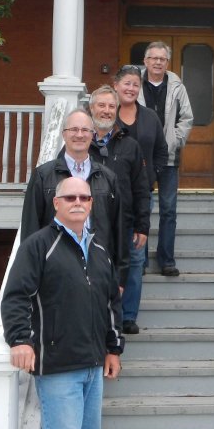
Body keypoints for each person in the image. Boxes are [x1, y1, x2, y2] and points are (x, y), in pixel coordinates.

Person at [2, 177, 124, 429]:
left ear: (91, 203)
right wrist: (20, 340)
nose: (77, 202)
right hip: (56, 367)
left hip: (92, 366)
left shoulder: (100, 248)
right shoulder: (39, 245)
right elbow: (16, 296)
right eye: (69, 197)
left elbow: (109, 305)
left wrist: (113, 348)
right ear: (55, 203)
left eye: (84, 197)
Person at [20, 108, 123, 279]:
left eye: (85, 130)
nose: (79, 135)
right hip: (54, 268)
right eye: (74, 129)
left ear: (93, 135)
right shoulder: (43, 176)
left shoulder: (108, 178)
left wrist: (119, 277)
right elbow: (31, 228)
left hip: (98, 266)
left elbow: (118, 229)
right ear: (64, 134)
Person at [88, 86, 151, 334]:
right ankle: (97, 315)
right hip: (90, 222)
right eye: (101, 106)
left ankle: (126, 317)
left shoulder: (130, 146)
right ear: (91, 108)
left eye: (111, 106)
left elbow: (141, 188)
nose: (106, 111)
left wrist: (142, 225)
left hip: (125, 220)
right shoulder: (81, 143)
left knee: (133, 265)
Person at [113, 65, 169, 331]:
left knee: (135, 258)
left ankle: (128, 316)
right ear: (116, 85)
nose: (131, 88)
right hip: (107, 198)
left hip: (140, 195)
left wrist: (152, 176)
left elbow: (161, 150)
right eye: (126, 83)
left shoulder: (149, 117)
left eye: (135, 84)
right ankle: (107, 312)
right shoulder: (106, 116)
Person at [138, 41, 194, 276]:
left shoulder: (177, 86)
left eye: (162, 59)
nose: (158, 62)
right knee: (141, 208)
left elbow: (186, 118)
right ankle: (139, 261)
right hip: (140, 160)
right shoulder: (135, 83)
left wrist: (173, 141)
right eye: (153, 58)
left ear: (167, 62)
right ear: (145, 61)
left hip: (169, 158)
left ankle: (166, 260)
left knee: (168, 210)